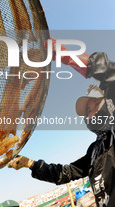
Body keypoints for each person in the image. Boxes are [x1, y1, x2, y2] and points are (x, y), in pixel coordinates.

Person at [8, 38, 115, 207]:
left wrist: (67, 56)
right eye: (87, 111)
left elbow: (110, 75)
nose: (90, 112)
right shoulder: (94, 151)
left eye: (94, 104)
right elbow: (64, 173)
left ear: (106, 102)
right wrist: (31, 164)